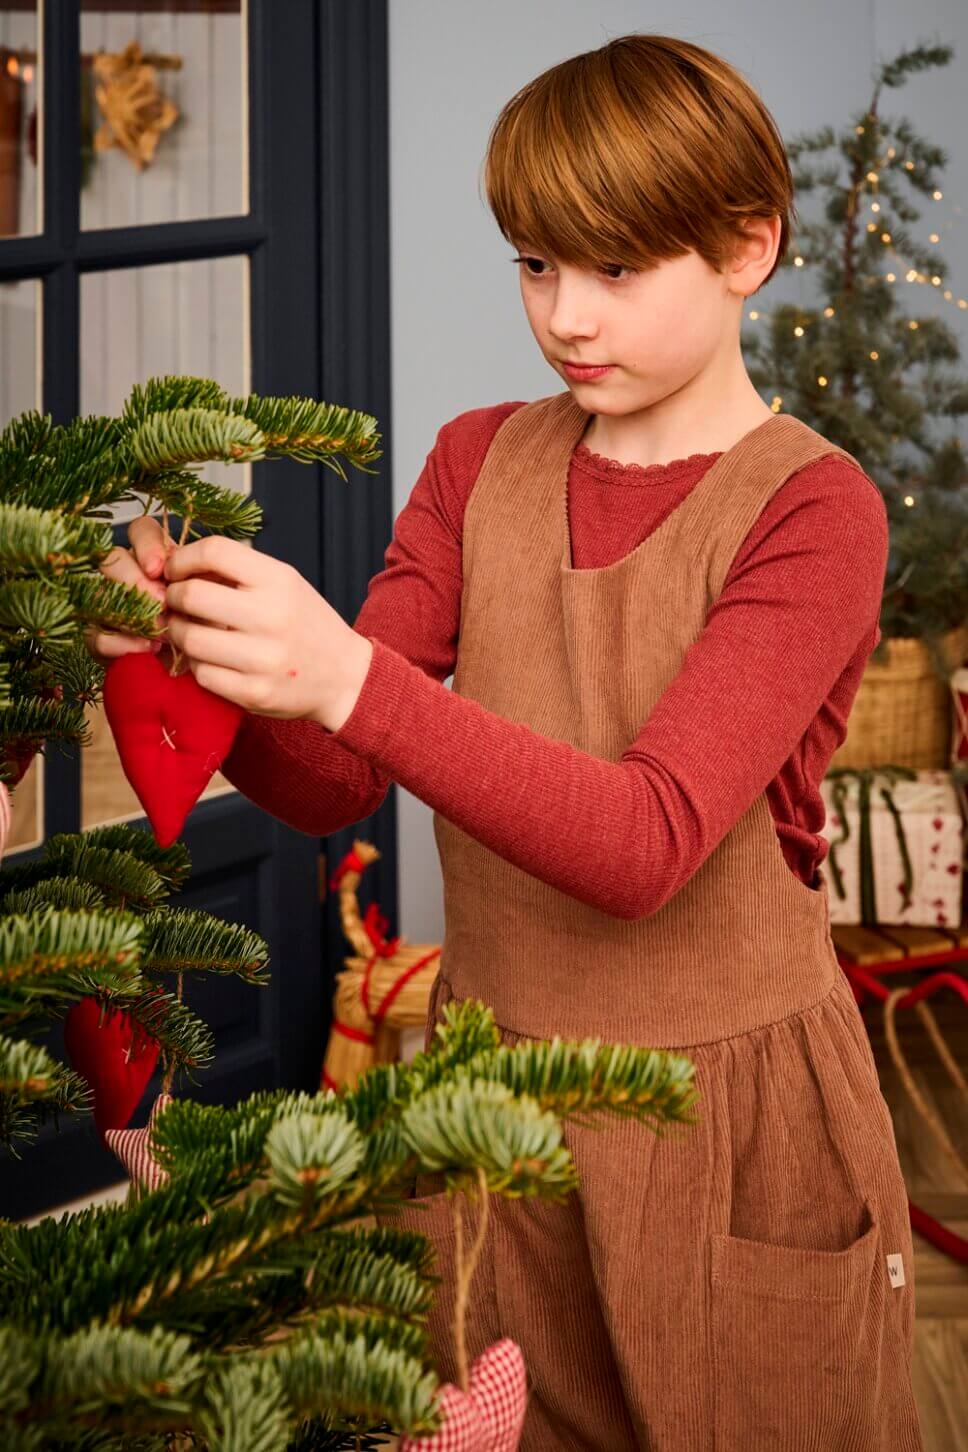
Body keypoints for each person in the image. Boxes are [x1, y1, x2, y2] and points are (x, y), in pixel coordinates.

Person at [85, 31, 924, 1452]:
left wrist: (345, 676)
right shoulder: (482, 460)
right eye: (537, 265)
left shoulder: (815, 512)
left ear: (746, 249)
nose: (566, 318)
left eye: (614, 269)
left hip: (726, 1121)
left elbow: (647, 843)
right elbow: (340, 775)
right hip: (491, 1103)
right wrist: (206, 672)